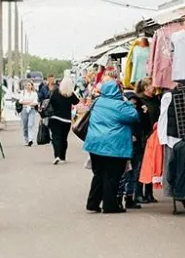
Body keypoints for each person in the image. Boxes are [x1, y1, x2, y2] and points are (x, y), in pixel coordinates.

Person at [84, 80, 140, 214]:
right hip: (113, 146)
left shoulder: (98, 102)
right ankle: (110, 205)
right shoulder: (120, 106)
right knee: (112, 176)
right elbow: (134, 116)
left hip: (95, 144)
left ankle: (93, 203)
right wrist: (126, 101)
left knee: (99, 174)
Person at [47, 75, 80, 164]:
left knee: (56, 137)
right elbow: (77, 101)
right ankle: (63, 157)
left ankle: (57, 155)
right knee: (64, 138)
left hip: (55, 118)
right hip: (66, 120)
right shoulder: (70, 94)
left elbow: (50, 101)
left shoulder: (56, 92)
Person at [16, 79, 40, 146]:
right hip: (24, 110)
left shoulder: (34, 93)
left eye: (29, 85)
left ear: (32, 86)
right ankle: (26, 139)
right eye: (26, 85)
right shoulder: (23, 93)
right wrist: (29, 102)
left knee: (30, 125)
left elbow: (35, 102)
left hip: (32, 110)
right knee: (25, 126)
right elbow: (20, 101)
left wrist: (27, 103)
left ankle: (30, 140)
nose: (28, 86)